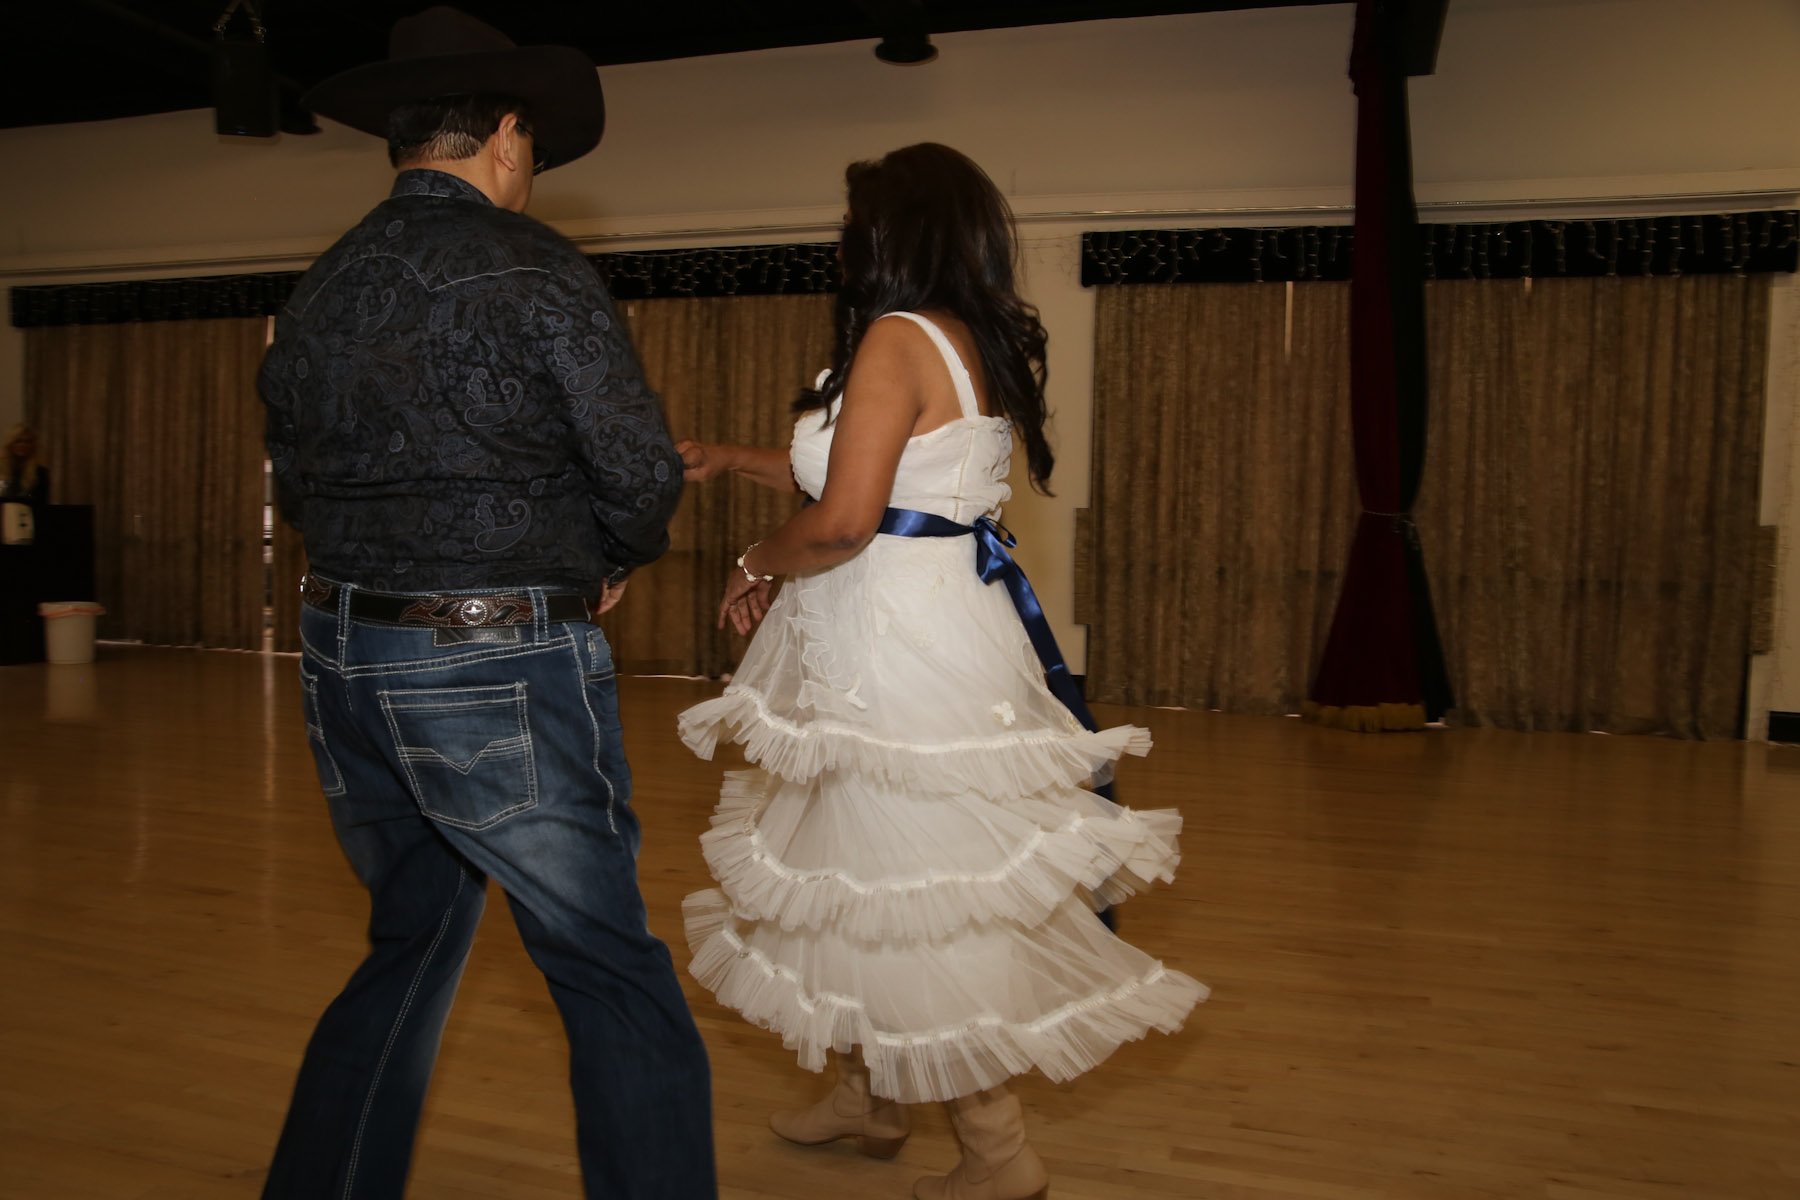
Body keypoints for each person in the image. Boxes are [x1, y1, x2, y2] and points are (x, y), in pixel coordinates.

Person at [676, 143, 1206, 1200]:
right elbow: (880, 472)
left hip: (891, 645)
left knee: (909, 884)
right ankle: (873, 1096)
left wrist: (753, 562)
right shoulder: (963, 336)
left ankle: (998, 1152)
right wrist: (736, 459)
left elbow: (843, 520)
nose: (840, 245)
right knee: (858, 870)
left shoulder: (893, 338)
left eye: (852, 226)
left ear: (892, 233)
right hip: (927, 626)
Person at [256, 8, 713, 1198]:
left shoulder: (322, 283)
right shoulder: (532, 265)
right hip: (491, 661)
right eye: (534, 148)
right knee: (609, 971)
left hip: (340, 652)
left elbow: (294, 478)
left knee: (408, 945)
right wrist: (609, 557)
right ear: (507, 135)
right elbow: (639, 470)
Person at [1, 424, 48, 506]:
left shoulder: (40, 473)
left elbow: (42, 505)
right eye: (18, 441)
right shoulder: (1, 469)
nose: (23, 445)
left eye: (27, 442)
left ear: (32, 446)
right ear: (10, 444)